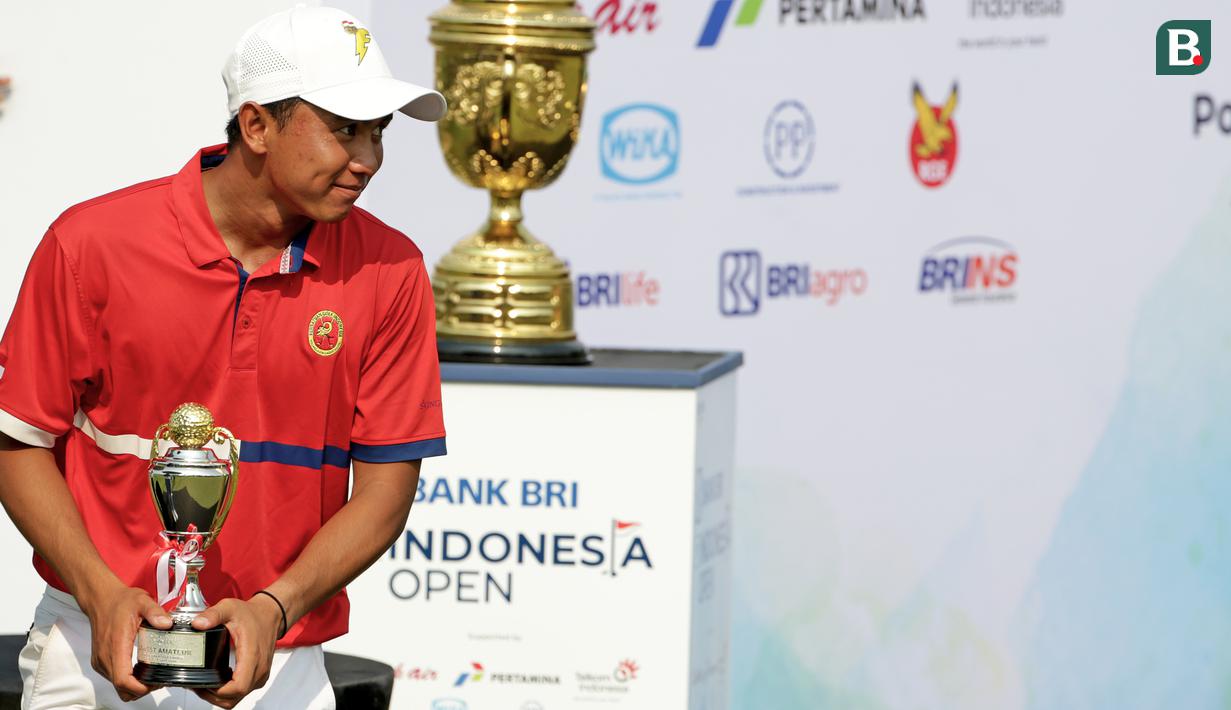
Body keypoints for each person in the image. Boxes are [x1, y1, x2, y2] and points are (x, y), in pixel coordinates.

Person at [0, 7, 447, 709]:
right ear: (256, 125)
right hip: (93, 648)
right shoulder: (91, 243)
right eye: (342, 128)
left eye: (377, 132)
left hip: (284, 662)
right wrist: (102, 593)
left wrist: (274, 608)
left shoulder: (391, 267)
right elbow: (18, 442)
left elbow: (386, 494)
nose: (367, 158)